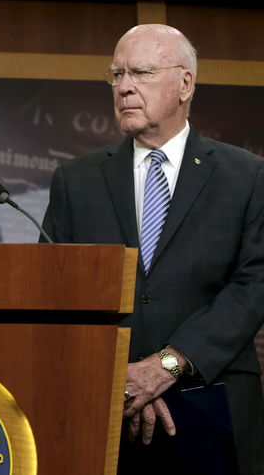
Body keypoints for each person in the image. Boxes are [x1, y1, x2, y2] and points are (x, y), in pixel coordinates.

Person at [42, 24, 264, 474]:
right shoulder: (76, 179)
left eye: (140, 73)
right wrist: (121, 379)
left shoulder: (247, 175)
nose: (124, 87)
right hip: (105, 405)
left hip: (213, 397)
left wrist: (166, 366)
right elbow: (55, 291)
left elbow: (254, 283)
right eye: (117, 74)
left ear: (185, 84)